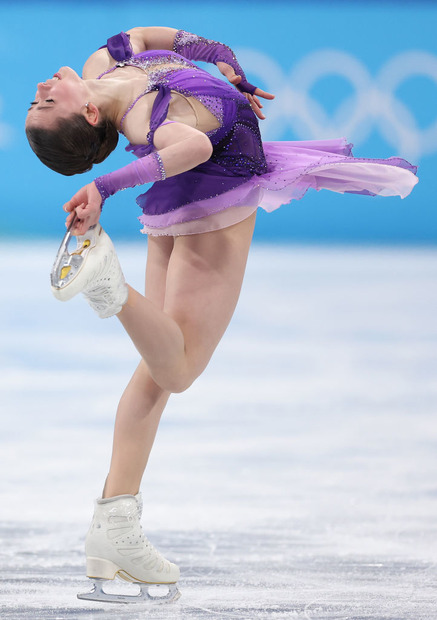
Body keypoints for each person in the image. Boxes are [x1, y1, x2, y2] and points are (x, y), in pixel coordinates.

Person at [25, 26, 418, 603]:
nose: (39, 86)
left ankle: (113, 529)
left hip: (176, 202)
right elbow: (195, 148)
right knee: (178, 372)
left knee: (156, 377)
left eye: (37, 99)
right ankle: (111, 288)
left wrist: (226, 64)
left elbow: (161, 37)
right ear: (87, 113)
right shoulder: (137, 118)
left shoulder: (105, 61)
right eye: (44, 102)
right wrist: (104, 187)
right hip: (216, 200)